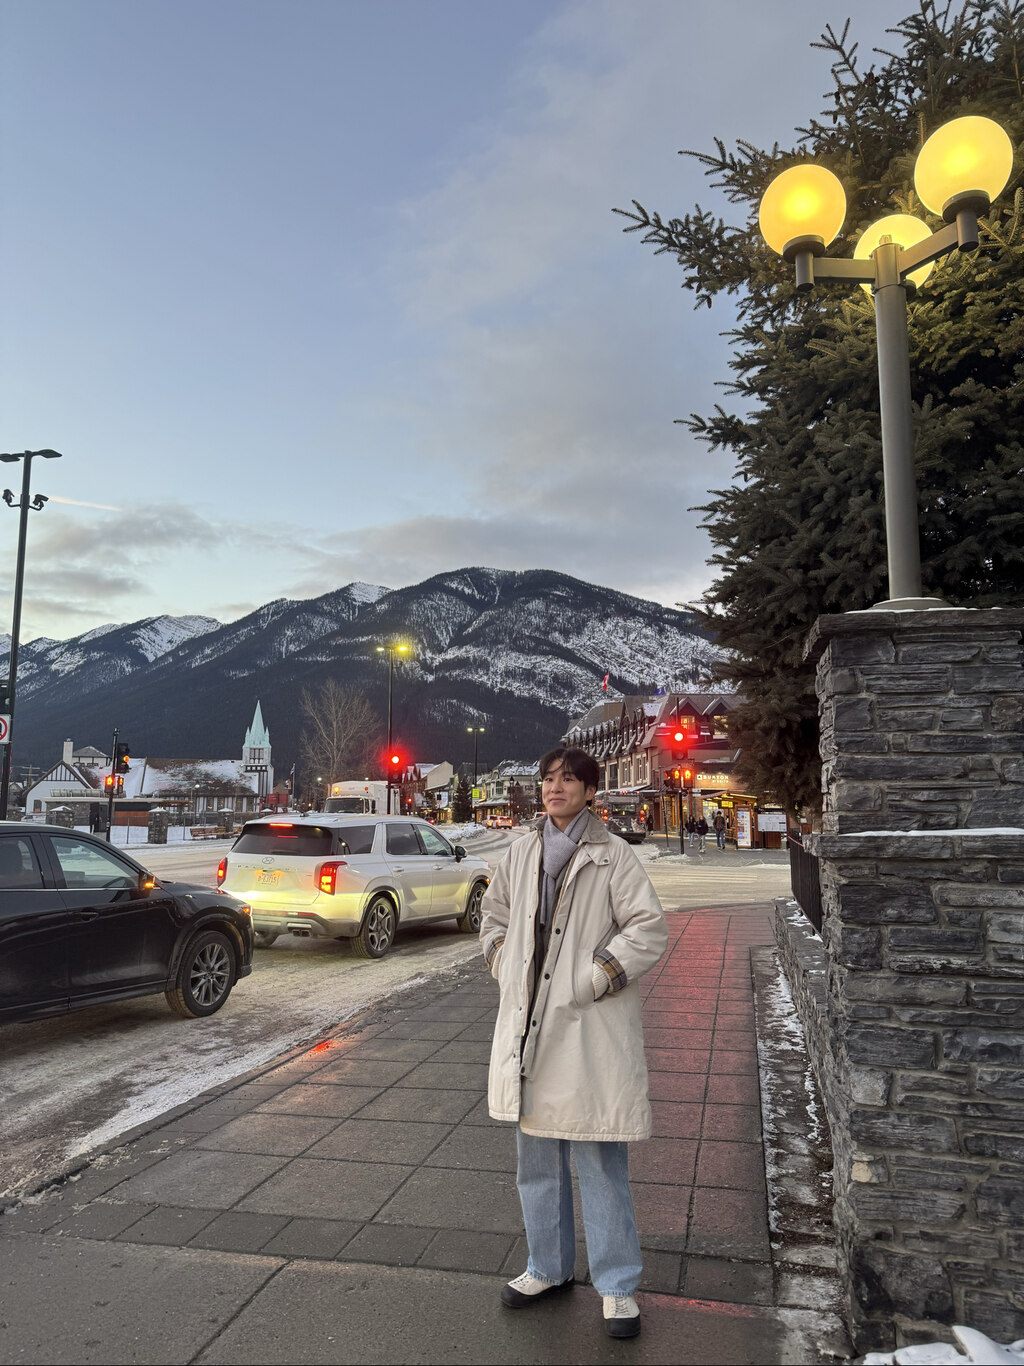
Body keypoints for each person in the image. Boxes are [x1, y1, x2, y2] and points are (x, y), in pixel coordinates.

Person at [480, 746, 667, 1340]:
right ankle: (548, 1267)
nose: (554, 788)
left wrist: (596, 976)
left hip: (586, 1025)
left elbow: (648, 928)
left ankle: (617, 1286)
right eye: (548, 779)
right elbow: (495, 916)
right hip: (528, 1025)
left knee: (599, 1157)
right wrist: (502, 963)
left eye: (568, 780)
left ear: (591, 791)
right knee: (536, 1160)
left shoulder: (613, 857)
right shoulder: (520, 849)